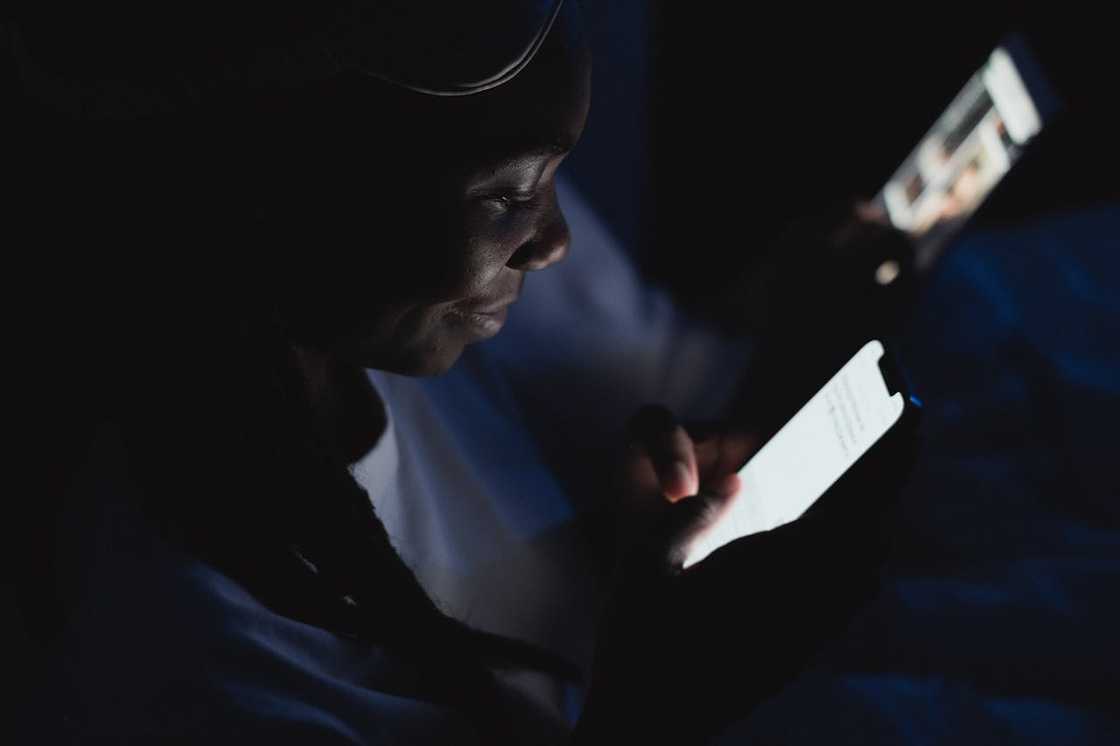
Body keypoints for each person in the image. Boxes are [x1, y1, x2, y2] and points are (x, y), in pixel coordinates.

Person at [10, 2, 903, 743]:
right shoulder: (193, 661)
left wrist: (619, 550)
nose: (553, 245)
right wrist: (647, 695)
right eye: (511, 197)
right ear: (291, 195)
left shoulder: (388, 346)